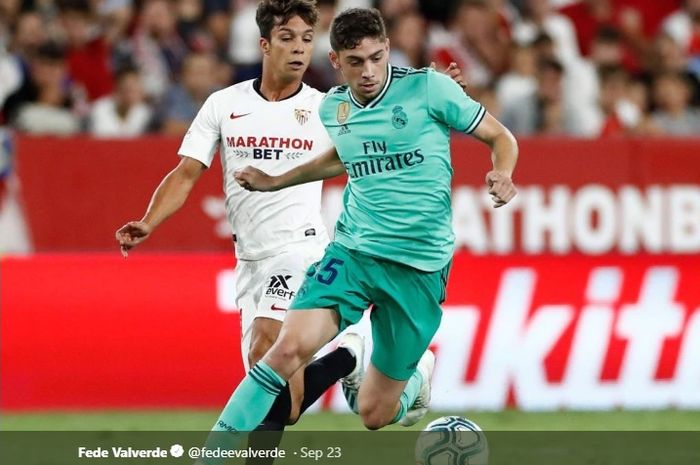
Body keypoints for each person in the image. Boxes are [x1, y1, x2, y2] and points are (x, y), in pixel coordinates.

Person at [115, 0, 466, 439]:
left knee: (269, 343)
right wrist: (149, 221)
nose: (299, 49)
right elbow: (186, 172)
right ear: (264, 44)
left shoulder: (330, 108)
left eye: (306, 39)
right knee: (287, 405)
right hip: (250, 262)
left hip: (300, 250)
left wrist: (431, 97)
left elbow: (393, 122)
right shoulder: (225, 105)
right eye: (287, 38)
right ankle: (348, 359)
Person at [222, 6, 518, 436]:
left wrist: (503, 173)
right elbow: (342, 156)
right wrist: (276, 181)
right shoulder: (334, 109)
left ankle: (411, 375)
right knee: (285, 351)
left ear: (388, 50)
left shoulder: (431, 89)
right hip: (353, 254)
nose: (368, 71)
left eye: (377, 58)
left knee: (373, 413)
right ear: (336, 61)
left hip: (418, 267)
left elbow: (500, 137)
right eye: (356, 61)